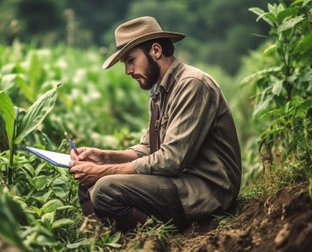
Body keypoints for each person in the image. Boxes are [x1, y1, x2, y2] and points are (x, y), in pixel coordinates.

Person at [69, 16, 242, 232]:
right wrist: (103, 157)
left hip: (205, 188)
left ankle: (157, 237)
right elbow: (149, 148)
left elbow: (171, 160)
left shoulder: (193, 85)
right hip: (177, 180)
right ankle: (103, 238)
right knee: (87, 184)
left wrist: (103, 172)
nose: (128, 71)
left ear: (156, 51)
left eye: (131, 60)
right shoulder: (159, 92)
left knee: (105, 188)